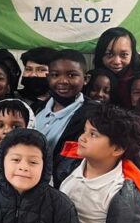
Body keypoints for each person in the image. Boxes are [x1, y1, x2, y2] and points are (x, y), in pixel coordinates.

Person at [34, 50, 95, 186]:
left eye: (72, 75)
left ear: (86, 79)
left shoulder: (93, 115)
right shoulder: (36, 109)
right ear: (48, 77)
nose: (63, 81)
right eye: (55, 75)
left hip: (64, 189)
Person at [92, 27, 140, 108]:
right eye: (109, 54)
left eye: (124, 55)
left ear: (132, 54)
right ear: (100, 54)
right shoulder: (93, 79)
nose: (117, 61)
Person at [17, 46, 55, 112]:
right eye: (28, 69)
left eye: (41, 70)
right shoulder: (13, 98)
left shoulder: (61, 102)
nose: (33, 74)